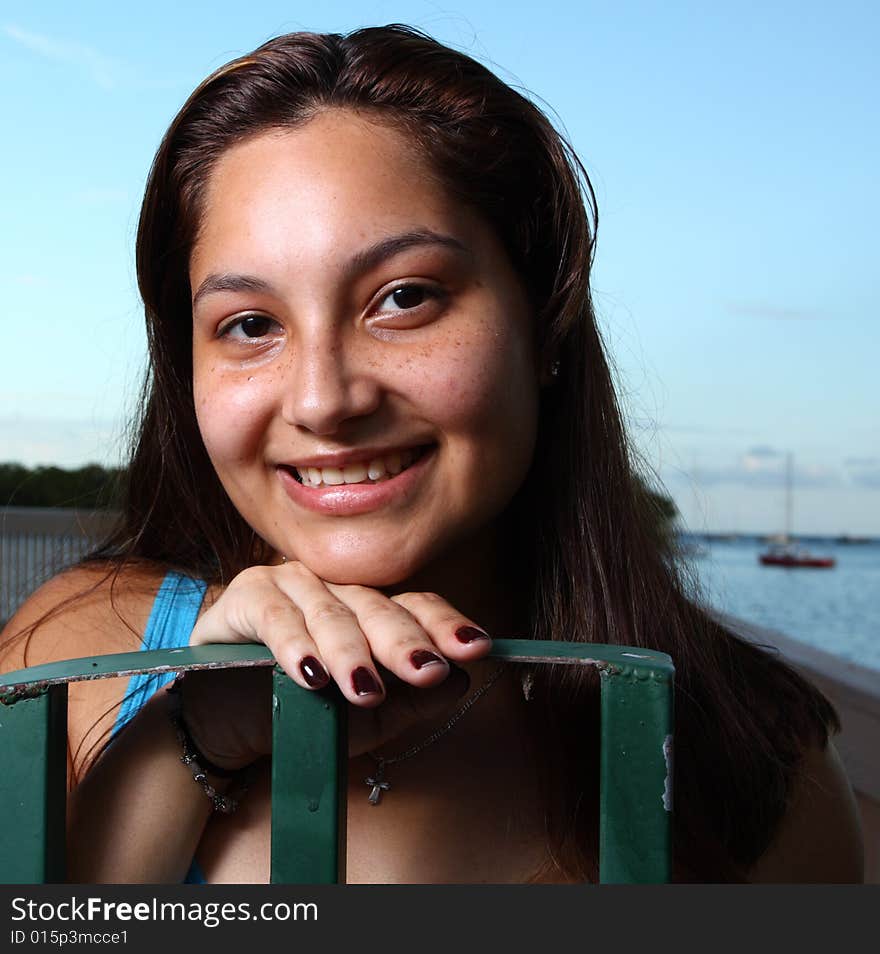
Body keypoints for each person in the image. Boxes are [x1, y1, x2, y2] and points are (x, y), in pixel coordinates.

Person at [0, 25, 864, 884]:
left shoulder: (753, 768)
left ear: (545, 324)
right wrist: (189, 738)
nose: (323, 400)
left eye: (403, 298)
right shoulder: (72, 665)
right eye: (252, 325)